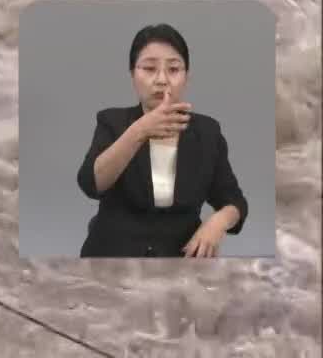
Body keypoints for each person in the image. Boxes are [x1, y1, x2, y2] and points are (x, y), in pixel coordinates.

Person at [75, 24, 248, 257]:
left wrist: (217, 222)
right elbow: (91, 184)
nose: (161, 79)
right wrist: (140, 130)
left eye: (174, 69)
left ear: (186, 76)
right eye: (149, 68)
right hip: (112, 257)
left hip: (179, 260)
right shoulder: (112, 122)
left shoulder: (207, 132)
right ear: (132, 74)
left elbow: (234, 201)